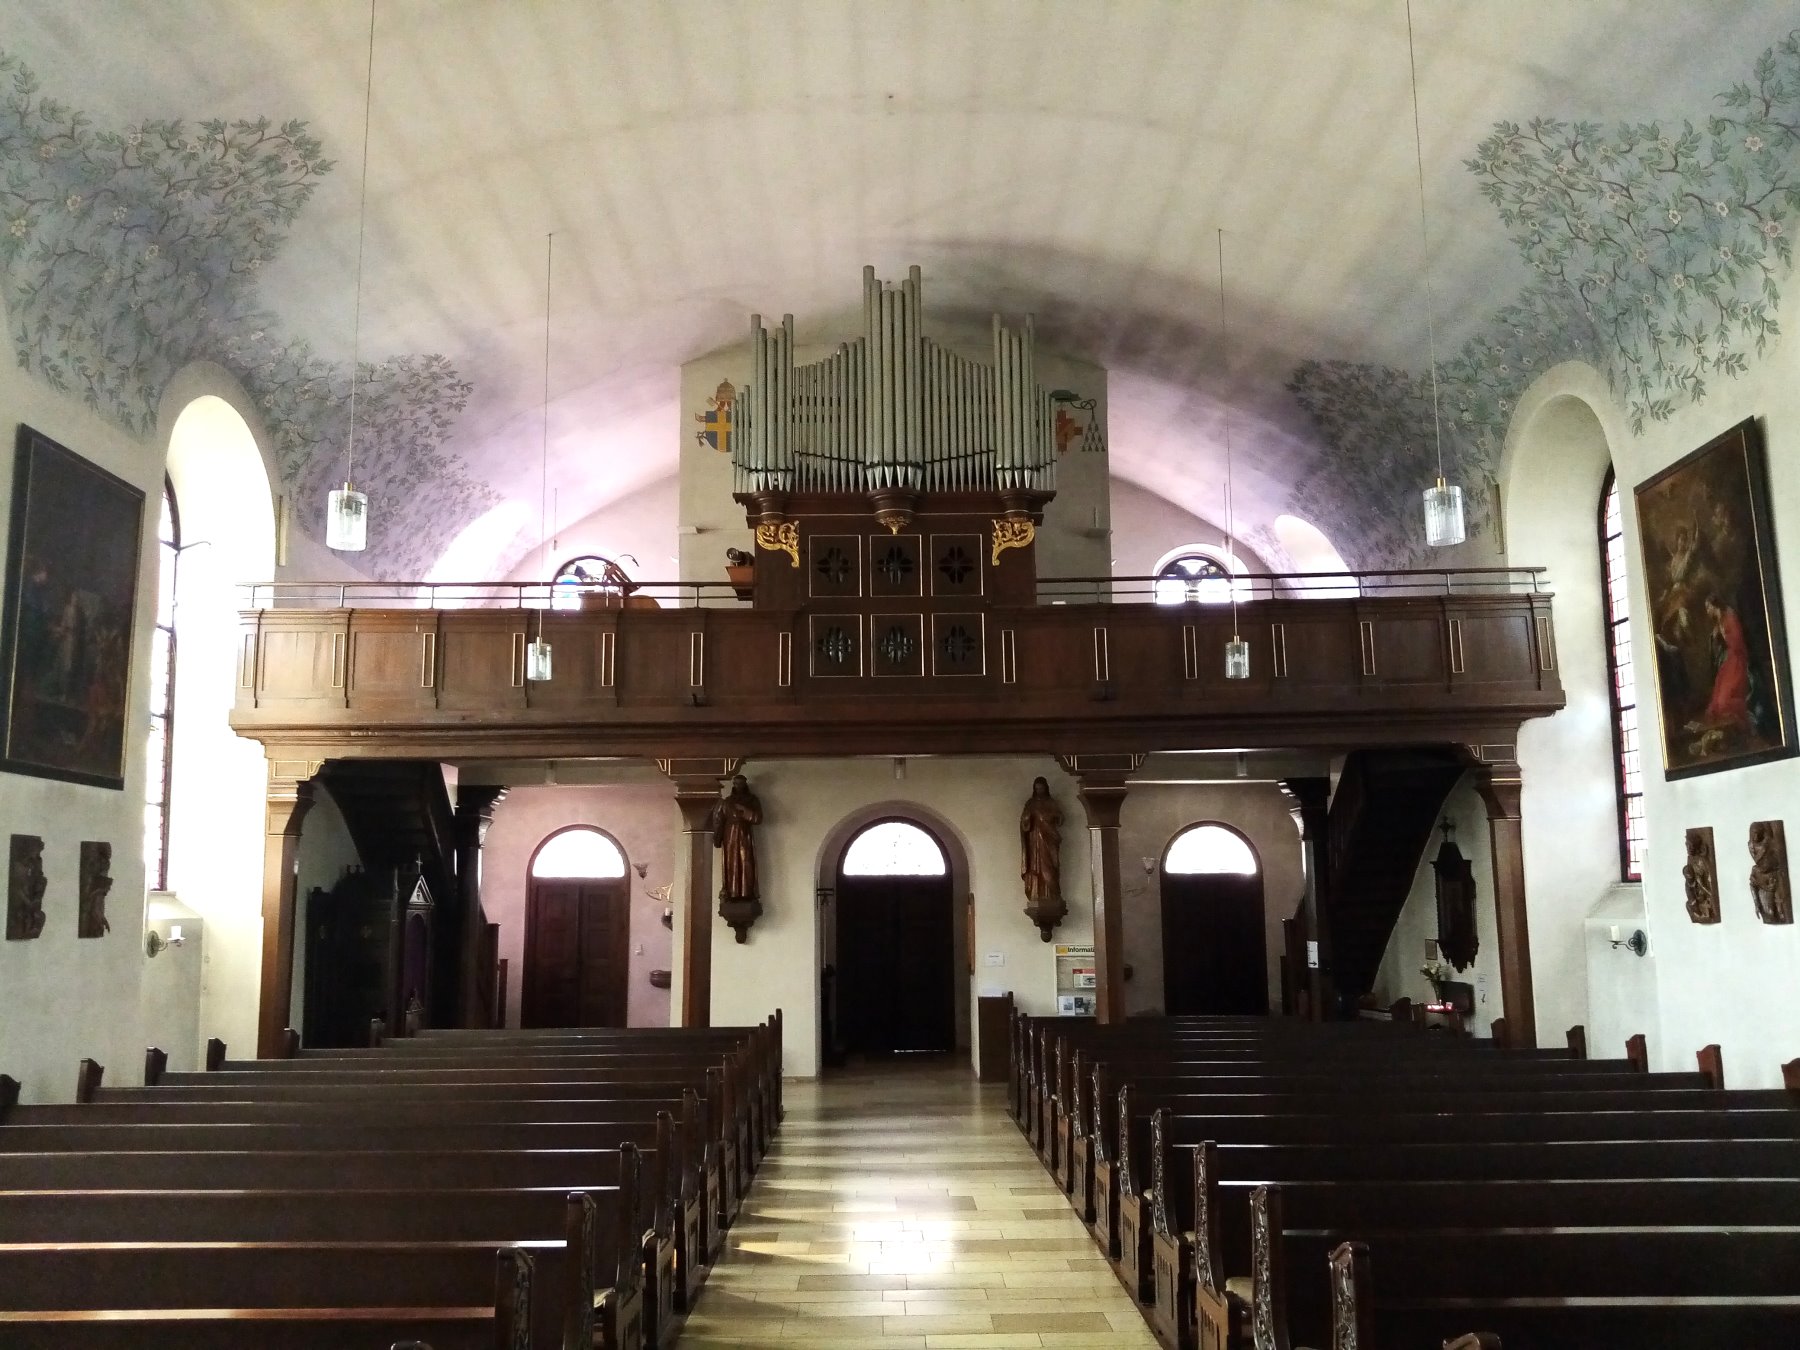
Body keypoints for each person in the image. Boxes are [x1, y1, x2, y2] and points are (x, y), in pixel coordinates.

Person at [1020, 776, 1063, 936]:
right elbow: (1024, 823)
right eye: (1037, 788)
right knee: (1036, 869)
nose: (1039, 791)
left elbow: (1061, 819)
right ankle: (1036, 894)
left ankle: (1053, 895)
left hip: (1049, 840)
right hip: (1034, 842)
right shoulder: (1030, 803)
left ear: (1046, 788)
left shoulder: (1051, 803)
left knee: (1051, 868)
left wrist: (1051, 817)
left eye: (1042, 788)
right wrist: (1027, 818)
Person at [711, 774, 762, 907]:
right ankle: (732, 893)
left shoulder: (752, 800)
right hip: (730, 835)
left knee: (746, 862)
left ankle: (746, 893)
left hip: (745, 834)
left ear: (745, 784)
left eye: (741, 783)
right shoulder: (727, 802)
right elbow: (719, 820)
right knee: (731, 863)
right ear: (733, 785)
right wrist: (717, 838)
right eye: (736, 783)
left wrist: (745, 811)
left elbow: (758, 818)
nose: (738, 786)